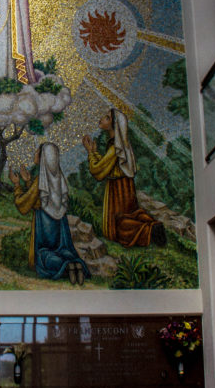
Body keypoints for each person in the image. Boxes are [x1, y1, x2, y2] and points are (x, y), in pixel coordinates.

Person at [82, 108, 166, 248]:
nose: (102, 119)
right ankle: (151, 224)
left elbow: (98, 171)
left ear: (114, 125)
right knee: (130, 214)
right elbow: (105, 166)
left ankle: (149, 230)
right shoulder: (119, 145)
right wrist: (94, 153)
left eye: (107, 117)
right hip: (124, 186)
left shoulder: (116, 147)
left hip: (119, 189)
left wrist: (91, 153)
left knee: (115, 230)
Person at [10, 142, 90, 285]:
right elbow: (41, 198)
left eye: (37, 152)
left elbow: (23, 205)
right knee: (63, 251)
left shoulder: (40, 180)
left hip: (45, 228)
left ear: (43, 158)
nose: (34, 154)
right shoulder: (59, 179)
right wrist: (28, 181)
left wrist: (17, 185)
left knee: (44, 254)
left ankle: (64, 266)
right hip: (60, 228)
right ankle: (74, 263)